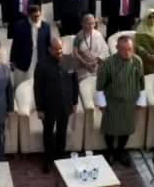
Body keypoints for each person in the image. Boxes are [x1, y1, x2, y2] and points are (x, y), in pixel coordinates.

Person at [96, 36, 144, 166]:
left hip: (129, 103)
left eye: (129, 49)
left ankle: (120, 151)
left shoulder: (137, 61)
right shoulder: (107, 63)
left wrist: (141, 100)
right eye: (123, 49)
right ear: (117, 48)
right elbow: (100, 85)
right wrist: (101, 103)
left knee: (126, 129)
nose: (127, 52)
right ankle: (110, 152)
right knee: (110, 129)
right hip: (112, 103)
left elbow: (141, 82)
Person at [34, 36, 78, 172]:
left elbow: (74, 83)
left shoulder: (69, 60)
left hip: (65, 104)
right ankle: (48, 159)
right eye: (56, 49)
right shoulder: (42, 64)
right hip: (49, 106)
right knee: (48, 133)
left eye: (60, 49)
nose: (59, 51)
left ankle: (60, 157)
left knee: (62, 131)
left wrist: (74, 102)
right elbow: (37, 88)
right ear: (49, 49)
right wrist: (39, 109)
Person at [72, 13, 109, 79]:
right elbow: (75, 53)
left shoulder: (98, 34)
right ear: (82, 24)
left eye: (93, 23)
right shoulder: (78, 37)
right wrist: (86, 64)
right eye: (88, 23)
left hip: (97, 65)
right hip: (83, 67)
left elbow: (105, 50)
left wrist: (95, 62)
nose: (91, 26)